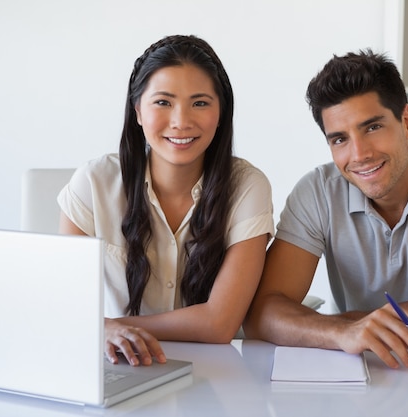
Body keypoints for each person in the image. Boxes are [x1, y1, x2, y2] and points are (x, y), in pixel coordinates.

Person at [243, 49, 408, 369]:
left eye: (372, 127)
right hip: (364, 370)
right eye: (340, 139)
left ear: (407, 121)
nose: (360, 154)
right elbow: (261, 315)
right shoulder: (316, 191)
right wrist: (343, 332)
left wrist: (349, 326)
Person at [58, 35, 274, 366]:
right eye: (163, 102)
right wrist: (100, 331)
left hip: (212, 375)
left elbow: (220, 324)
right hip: (117, 363)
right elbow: (63, 305)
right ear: (138, 111)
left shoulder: (247, 186)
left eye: (200, 103)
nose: (181, 121)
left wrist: (107, 327)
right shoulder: (93, 182)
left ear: (221, 113)